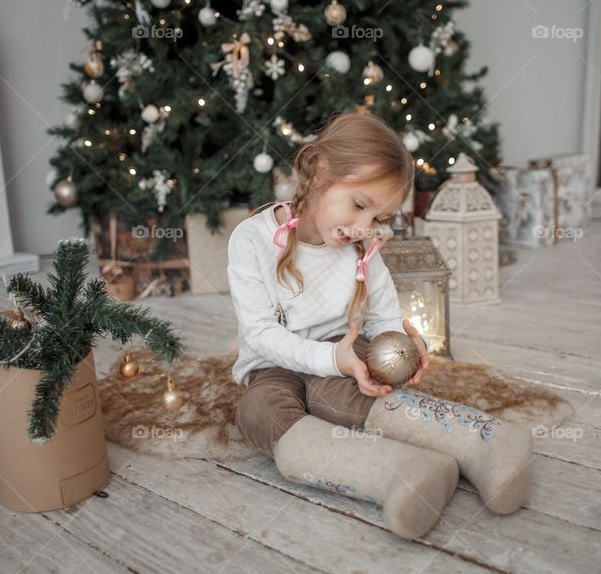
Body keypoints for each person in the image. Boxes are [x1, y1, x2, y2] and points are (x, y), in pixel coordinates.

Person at [228, 112, 533, 539]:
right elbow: (261, 334)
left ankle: (483, 441)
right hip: (271, 364)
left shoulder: (361, 247)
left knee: (342, 391)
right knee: (257, 412)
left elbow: (385, 314)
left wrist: (404, 345)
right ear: (318, 172)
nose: (363, 227)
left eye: (377, 217)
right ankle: (402, 473)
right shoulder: (251, 238)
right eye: (359, 205)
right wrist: (327, 358)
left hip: (345, 349)